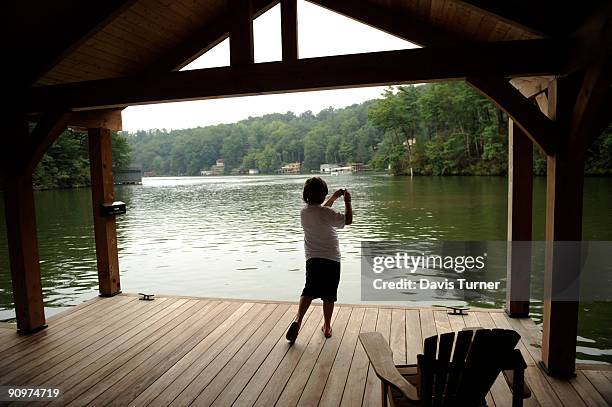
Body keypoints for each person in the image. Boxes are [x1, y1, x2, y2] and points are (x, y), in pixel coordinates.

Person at [286, 177, 352, 343]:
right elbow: (348, 220)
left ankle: (298, 320)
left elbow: (321, 211)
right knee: (329, 295)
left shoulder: (305, 212)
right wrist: (347, 202)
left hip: (312, 259)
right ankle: (327, 326)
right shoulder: (326, 213)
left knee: (308, 290)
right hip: (331, 259)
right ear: (323, 195)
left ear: (306, 195)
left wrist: (334, 198)